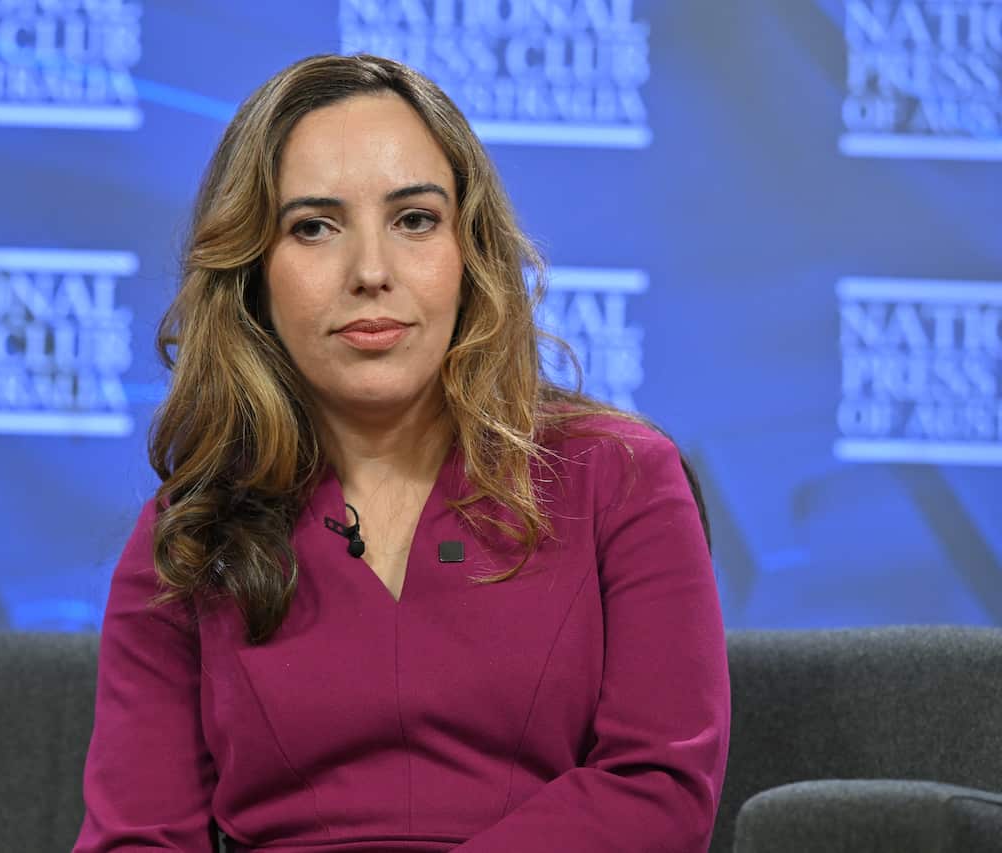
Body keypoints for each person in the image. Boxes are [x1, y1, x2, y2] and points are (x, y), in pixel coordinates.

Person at [72, 53, 729, 853]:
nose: (371, 272)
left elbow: (658, 789)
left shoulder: (619, 476)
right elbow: (138, 838)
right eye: (313, 227)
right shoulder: (190, 531)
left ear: (470, 251)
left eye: (414, 219)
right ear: (253, 274)